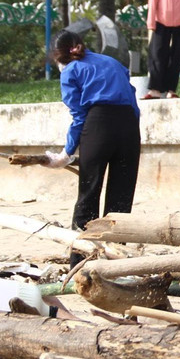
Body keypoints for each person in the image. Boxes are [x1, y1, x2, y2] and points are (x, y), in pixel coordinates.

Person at [44, 30, 142, 265]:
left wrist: (66, 153)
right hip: (129, 126)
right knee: (121, 196)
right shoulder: (112, 62)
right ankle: (115, 257)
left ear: (59, 55)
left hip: (98, 125)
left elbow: (78, 115)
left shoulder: (71, 71)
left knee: (89, 192)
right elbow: (133, 101)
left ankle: (80, 258)